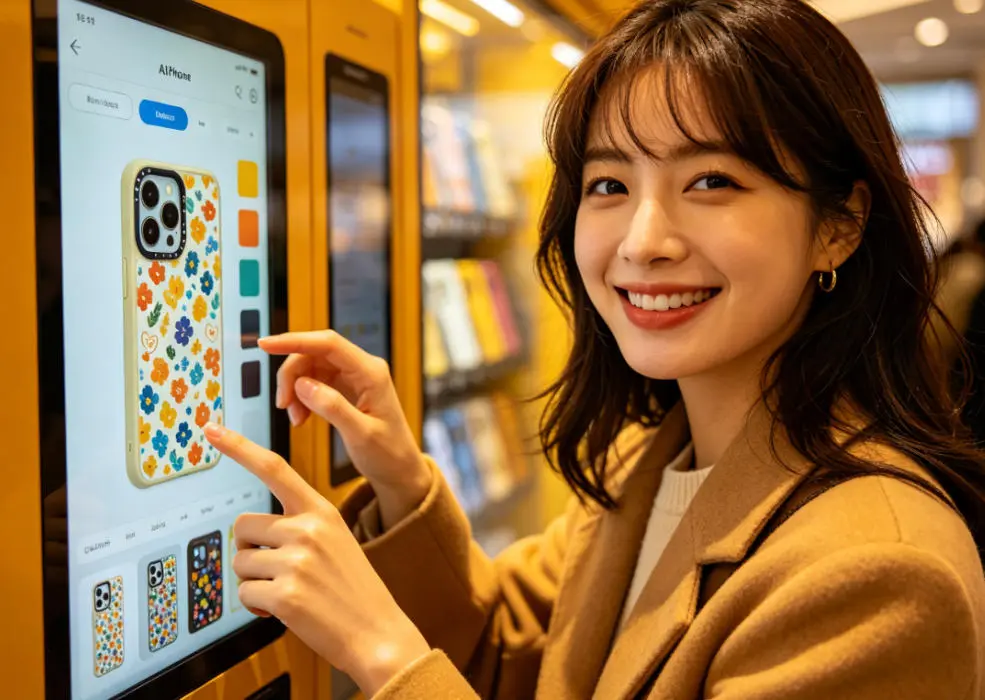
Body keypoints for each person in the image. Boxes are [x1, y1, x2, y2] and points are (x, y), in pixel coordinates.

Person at [203, 0, 985, 697]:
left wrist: (380, 650)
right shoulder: (651, 457)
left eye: (710, 181)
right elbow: (509, 655)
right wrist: (401, 478)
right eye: (608, 185)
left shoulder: (879, 577)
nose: (642, 243)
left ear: (838, 225)